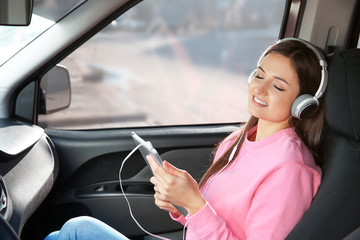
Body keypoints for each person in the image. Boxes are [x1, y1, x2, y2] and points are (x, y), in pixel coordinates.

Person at [44, 38, 326, 240]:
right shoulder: (240, 139)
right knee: (67, 232)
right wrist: (180, 205)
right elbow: (217, 219)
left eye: (277, 85)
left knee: (76, 230)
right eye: (259, 75)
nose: (259, 89)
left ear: (304, 103)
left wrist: (194, 204)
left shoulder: (290, 170)